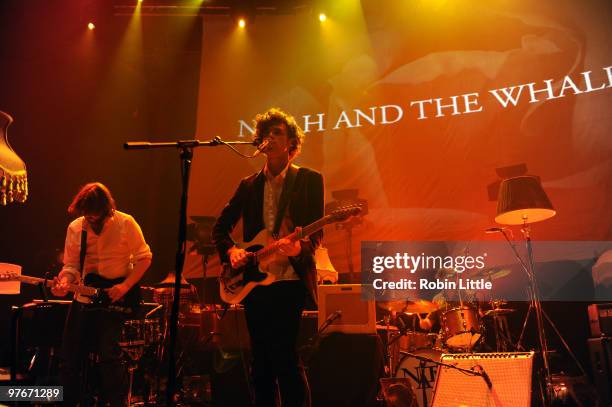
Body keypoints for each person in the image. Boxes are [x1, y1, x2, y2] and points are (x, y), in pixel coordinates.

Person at [213, 108, 324, 406]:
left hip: (290, 280)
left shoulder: (309, 180)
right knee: (260, 362)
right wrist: (233, 251)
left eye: (278, 133)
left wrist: (300, 249)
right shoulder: (249, 185)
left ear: (291, 143)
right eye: (266, 134)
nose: (270, 138)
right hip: (254, 281)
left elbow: (316, 235)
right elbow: (220, 229)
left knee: (286, 358)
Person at [51, 182, 152, 406]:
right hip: (84, 297)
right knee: (69, 357)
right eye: (88, 217)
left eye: (96, 217)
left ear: (108, 211)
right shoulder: (76, 228)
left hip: (116, 296)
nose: (92, 222)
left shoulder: (126, 223)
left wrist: (125, 286)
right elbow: (71, 265)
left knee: (110, 357)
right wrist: (64, 282)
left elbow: (145, 258)